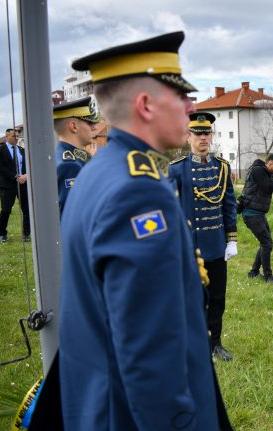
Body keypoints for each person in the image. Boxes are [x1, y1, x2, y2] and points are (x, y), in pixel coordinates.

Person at [57, 31, 231, 430]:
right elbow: (149, 350)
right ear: (147, 104)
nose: (191, 108)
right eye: (181, 96)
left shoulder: (100, 170)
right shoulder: (137, 192)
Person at [170, 112, 238, 361]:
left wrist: (231, 239)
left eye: (206, 133)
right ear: (188, 137)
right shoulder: (176, 171)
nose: (202, 138)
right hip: (189, 248)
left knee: (218, 297)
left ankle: (215, 343)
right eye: (197, 133)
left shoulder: (222, 168)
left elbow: (229, 205)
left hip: (216, 246)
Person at [241, 154, 273, 283]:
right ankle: (268, 276)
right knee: (267, 243)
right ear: (270, 163)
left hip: (258, 214)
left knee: (265, 243)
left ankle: (254, 272)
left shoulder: (267, 173)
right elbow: (268, 187)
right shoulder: (257, 170)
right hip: (251, 213)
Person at [53, 97, 99, 214]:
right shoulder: (69, 165)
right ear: (74, 126)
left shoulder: (70, 156)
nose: (94, 127)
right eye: (89, 123)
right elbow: (74, 214)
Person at [0, 128, 30, 242]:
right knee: (6, 210)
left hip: (23, 184)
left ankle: (26, 234)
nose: (16, 138)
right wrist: (16, 177)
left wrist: (25, 176)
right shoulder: (1, 150)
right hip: (8, 185)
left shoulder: (22, 150)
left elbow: (28, 165)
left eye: (17, 136)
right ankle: (1, 234)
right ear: (6, 137)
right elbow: (1, 167)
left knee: (27, 210)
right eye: (13, 136)